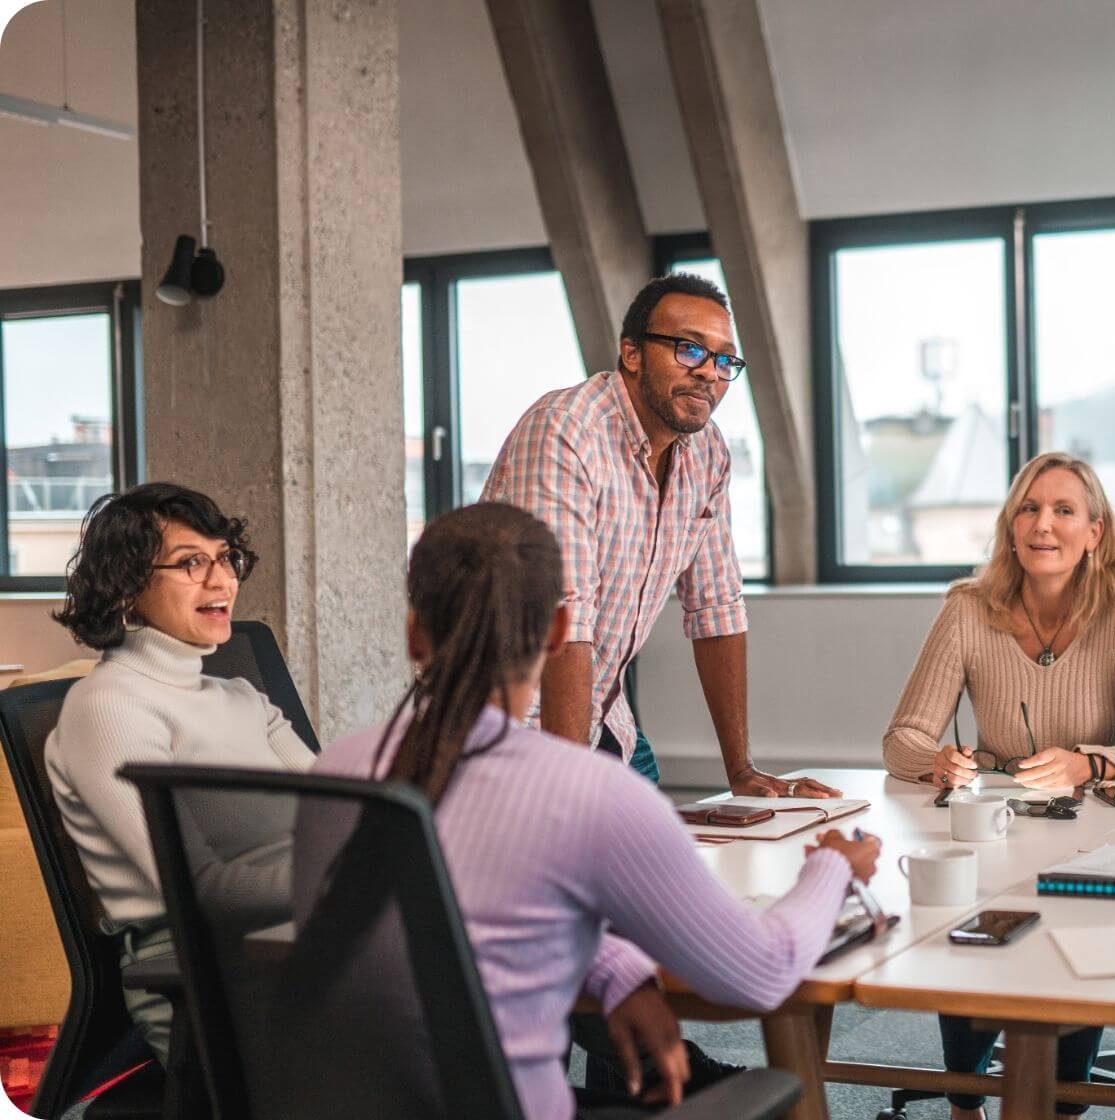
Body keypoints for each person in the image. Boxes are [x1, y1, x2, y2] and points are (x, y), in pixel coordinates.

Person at [307, 503, 880, 1120]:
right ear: (558, 631)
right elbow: (762, 972)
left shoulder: (335, 773)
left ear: (414, 632)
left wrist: (615, 966)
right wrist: (833, 870)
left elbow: (450, 931)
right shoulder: (592, 792)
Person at [882, 451, 1115, 1120]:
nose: (1043, 524)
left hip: (1091, 836)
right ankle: (966, 1101)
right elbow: (901, 736)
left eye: (1063, 511)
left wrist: (1088, 762)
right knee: (963, 911)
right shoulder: (968, 609)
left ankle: (1062, 1101)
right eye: (1029, 507)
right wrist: (937, 761)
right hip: (994, 829)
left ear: (1095, 532)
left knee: (1072, 935)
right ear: (1009, 524)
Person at [480, 272, 837, 798]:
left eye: (723, 361)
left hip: (601, 714)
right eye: (690, 350)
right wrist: (569, 795)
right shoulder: (566, 430)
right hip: (501, 726)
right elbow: (564, 617)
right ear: (632, 353)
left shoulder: (707, 452)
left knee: (671, 849)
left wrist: (740, 771)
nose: (710, 374)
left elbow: (717, 607)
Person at [45, 483, 315, 1059]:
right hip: (203, 974)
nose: (222, 581)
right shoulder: (110, 707)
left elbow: (343, 814)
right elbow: (196, 887)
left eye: (225, 558)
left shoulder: (242, 696)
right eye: (192, 563)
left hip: (298, 938)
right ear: (127, 585)